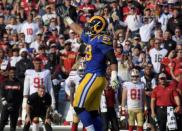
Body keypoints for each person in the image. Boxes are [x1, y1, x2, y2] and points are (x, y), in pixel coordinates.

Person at [64, 15, 119, 131]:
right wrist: (67, 18)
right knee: (92, 112)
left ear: (97, 27)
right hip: (96, 77)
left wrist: (114, 76)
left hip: (94, 75)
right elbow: (78, 30)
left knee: (78, 107)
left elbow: (112, 58)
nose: (88, 27)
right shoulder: (93, 38)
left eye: (91, 25)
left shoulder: (102, 38)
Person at [22, 58, 55, 124]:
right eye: (36, 63)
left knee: (45, 119)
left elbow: (50, 86)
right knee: (32, 120)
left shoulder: (46, 72)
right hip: (32, 98)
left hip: (43, 97)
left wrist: (53, 99)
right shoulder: (29, 72)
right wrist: (25, 98)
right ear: (33, 63)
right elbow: (26, 85)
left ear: (42, 63)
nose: (38, 65)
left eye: (40, 63)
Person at [0, 67, 23, 131]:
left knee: (13, 126)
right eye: (11, 73)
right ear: (9, 73)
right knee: (2, 124)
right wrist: (7, 106)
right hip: (6, 106)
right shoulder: (4, 82)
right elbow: (2, 96)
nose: (13, 74)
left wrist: (16, 106)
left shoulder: (19, 83)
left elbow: (20, 96)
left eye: (14, 72)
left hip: (15, 107)